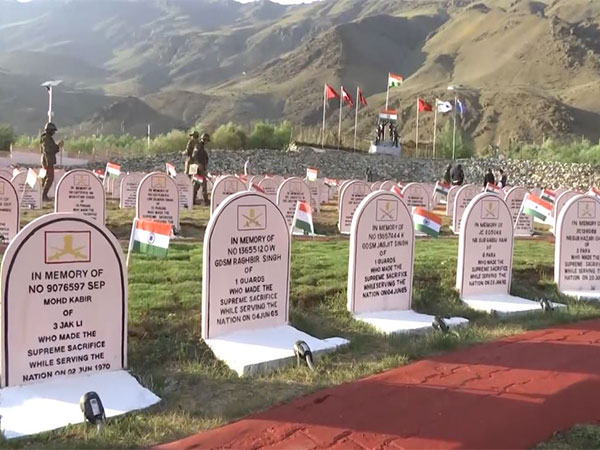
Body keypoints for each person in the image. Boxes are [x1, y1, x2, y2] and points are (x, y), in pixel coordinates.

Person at [40, 122, 63, 201]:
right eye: (52, 130)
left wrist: (58, 146)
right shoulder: (46, 139)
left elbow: (52, 149)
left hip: (48, 160)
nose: (53, 132)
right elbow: (48, 150)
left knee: (47, 178)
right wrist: (57, 146)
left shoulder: (48, 138)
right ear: (49, 130)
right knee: (49, 178)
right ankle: (44, 195)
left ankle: (43, 195)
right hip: (48, 161)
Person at [192, 133, 210, 205]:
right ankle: (205, 200)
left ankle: (193, 199)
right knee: (203, 184)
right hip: (198, 168)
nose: (207, 142)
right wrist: (199, 165)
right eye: (207, 140)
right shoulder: (198, 146)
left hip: (200, 168)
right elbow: (194, 156)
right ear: (204, 140)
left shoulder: (201, 147)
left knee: (197, 184)